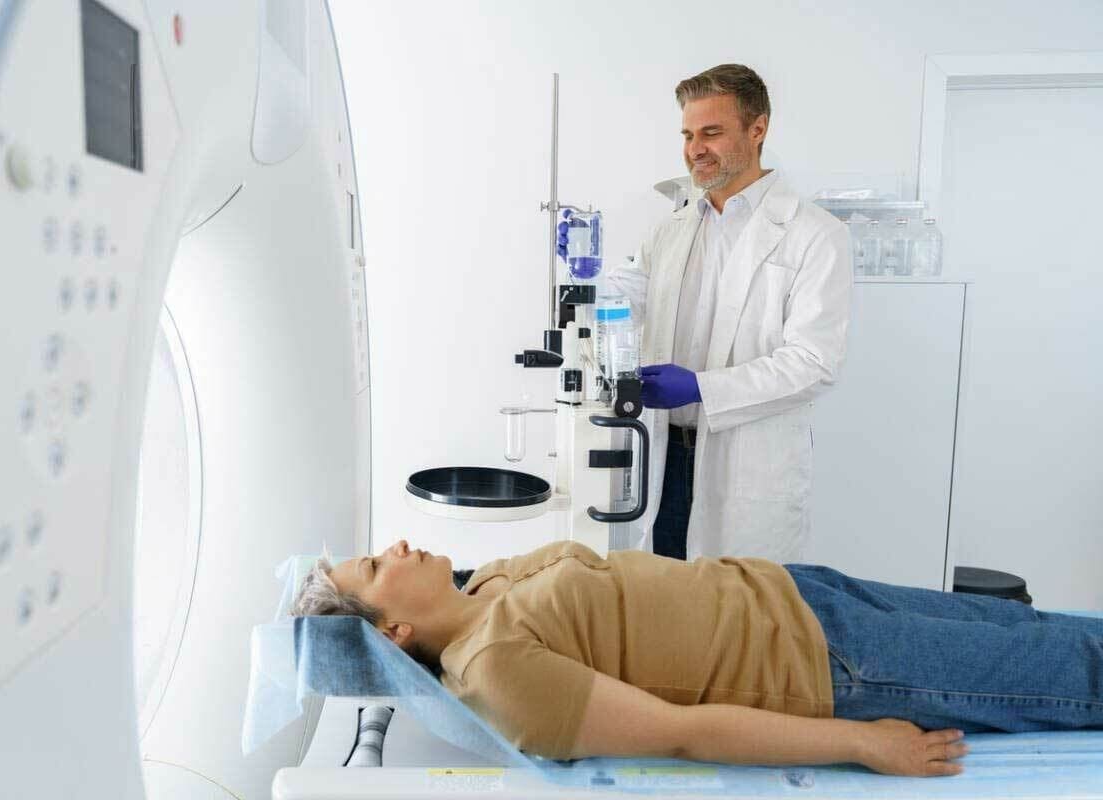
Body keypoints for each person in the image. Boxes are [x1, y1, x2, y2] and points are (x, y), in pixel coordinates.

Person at [292, 538, 1103, 778]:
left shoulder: (486, 583)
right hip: (825, 666)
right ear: (393, 632)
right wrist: (864, 744)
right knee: (1077, 673)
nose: (397, 545)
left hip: (797, 590)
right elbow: (680, 731)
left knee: (1035, 627)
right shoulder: (497, 672)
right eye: (376, 566)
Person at [606, 64, 853, 563]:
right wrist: (584, 278)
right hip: (662, 457)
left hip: (745, 462)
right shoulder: (670, 230)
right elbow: (621, 299)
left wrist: (701, 388)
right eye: (688, 135)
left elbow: (814, 363)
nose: (695, 148)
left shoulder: (816, 235)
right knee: (658, 594)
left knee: (733, 604)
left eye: (712, 133)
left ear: (757, 129)